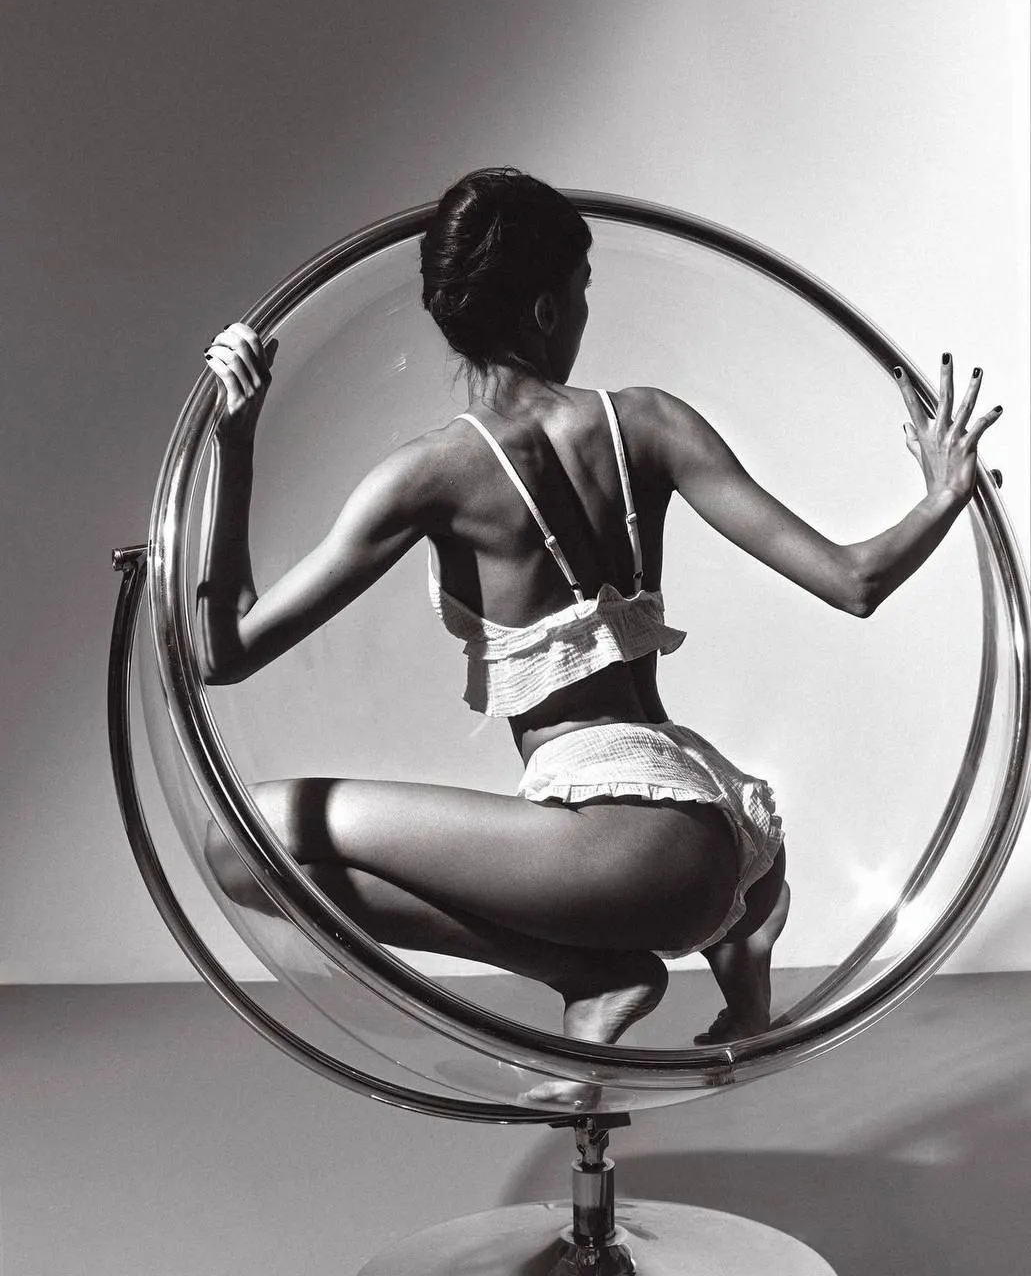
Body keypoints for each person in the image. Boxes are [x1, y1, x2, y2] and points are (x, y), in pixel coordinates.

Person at [198, 167, 1001, 1063]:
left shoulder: (426, 477)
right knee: (262, 843)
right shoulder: (651, 422)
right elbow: (854, 581)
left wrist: (235, 447)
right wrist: (939, 496)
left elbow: (221, 651)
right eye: (580, 294)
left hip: (613, 858)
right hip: (717, 827)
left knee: (239, 842)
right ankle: (715, 958)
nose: (584, 317)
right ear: (544, 311)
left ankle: (586, 973)